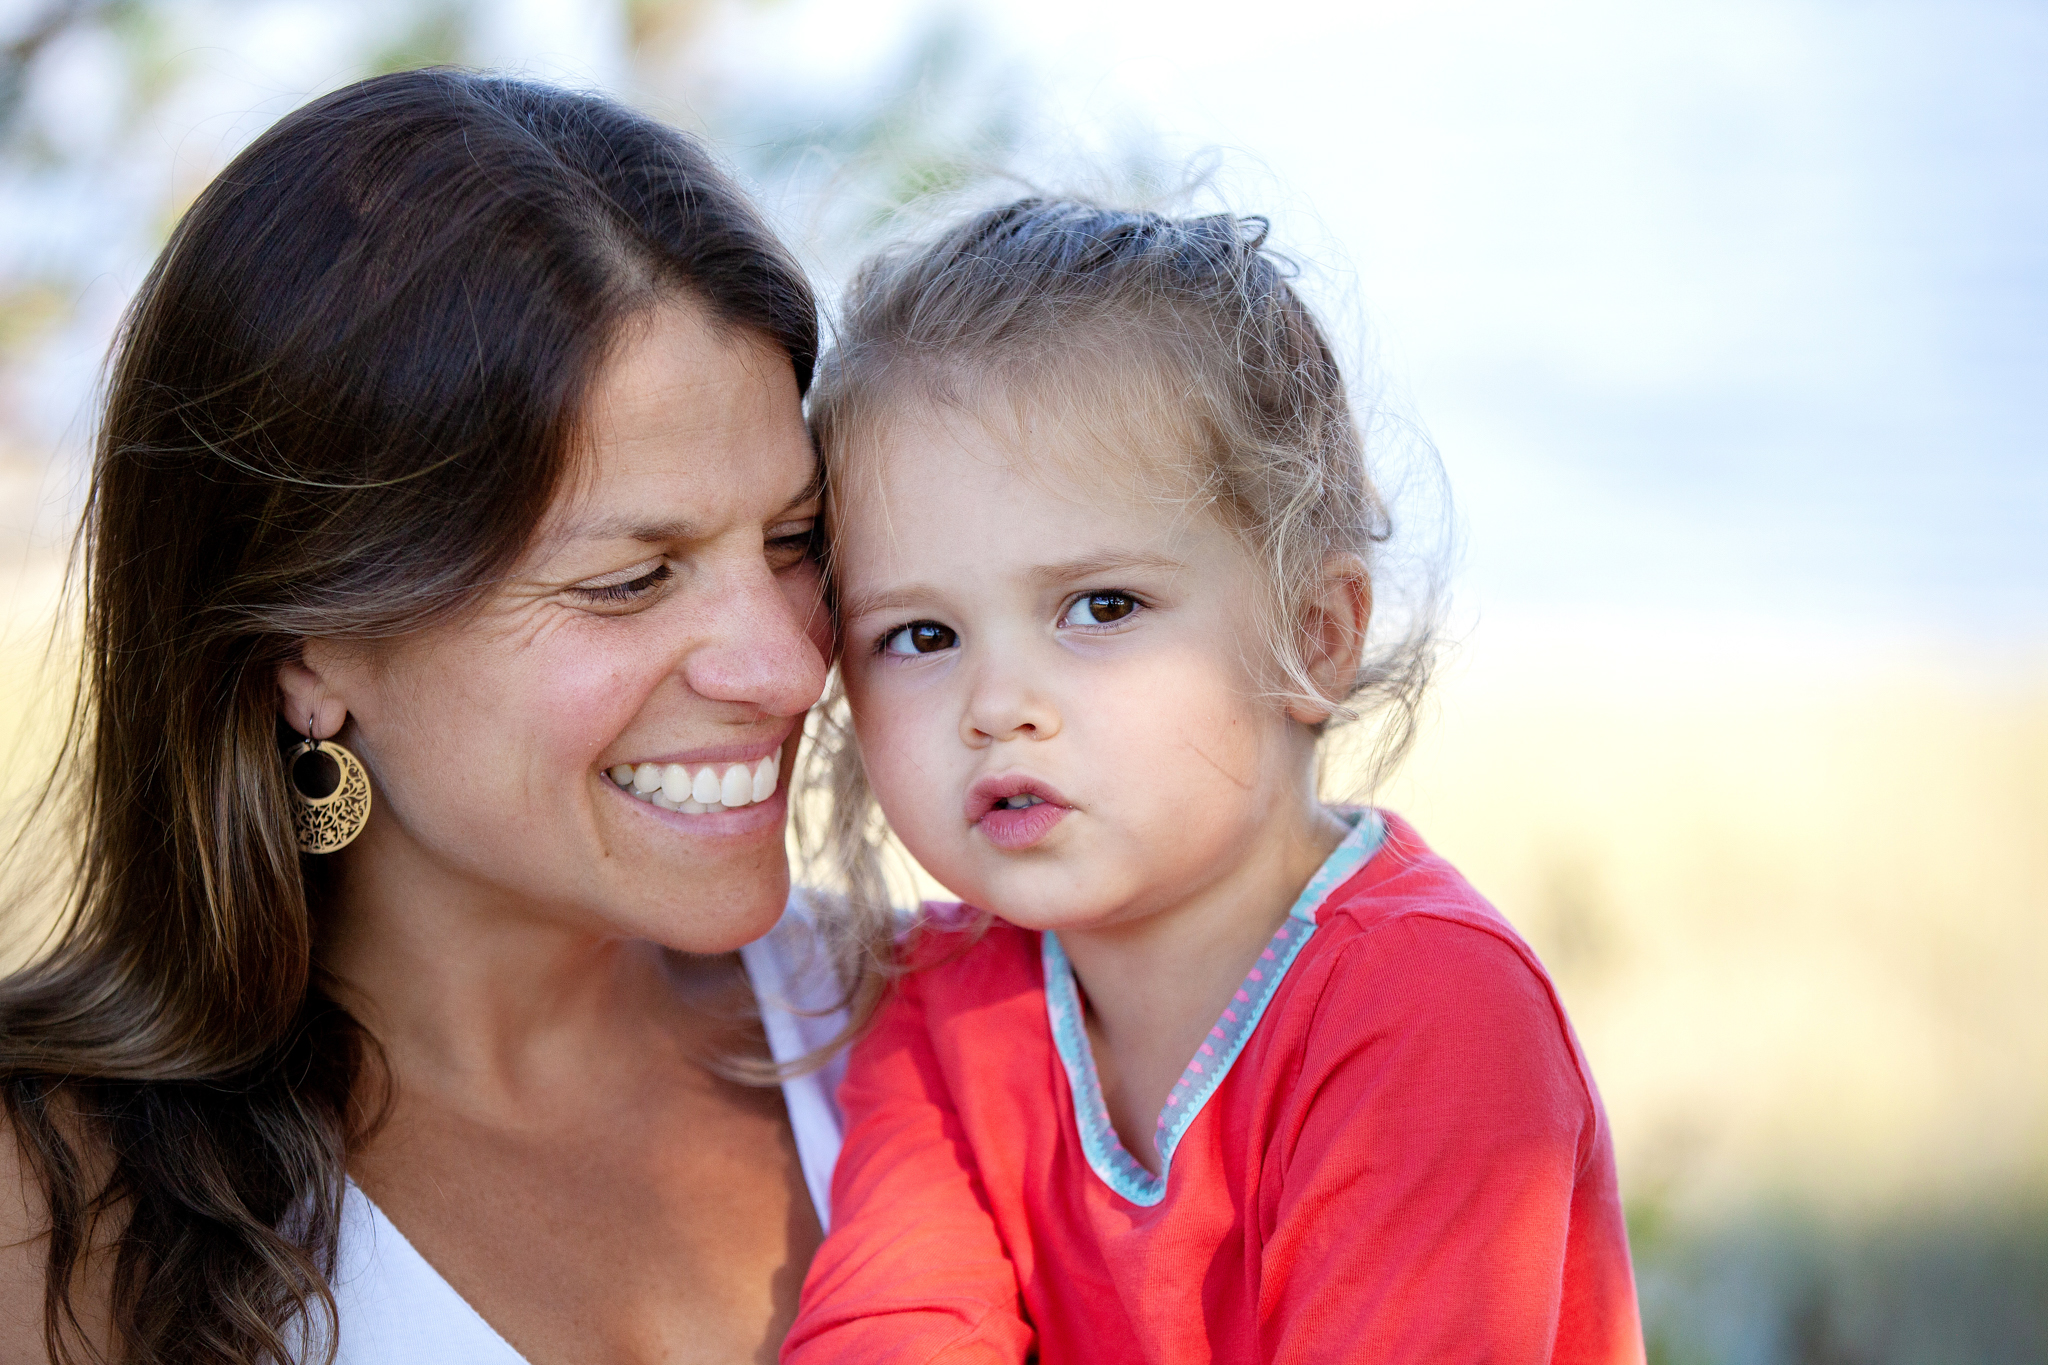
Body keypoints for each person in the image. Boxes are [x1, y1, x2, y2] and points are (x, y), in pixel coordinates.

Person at [0, 70, 864, 1364]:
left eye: (796, 539)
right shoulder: (49, 1205)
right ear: (308, 647)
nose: (790, 667)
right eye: (631, 580)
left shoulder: (943, 1024)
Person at [782, 200, 1646, 1362]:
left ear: (1313, 635)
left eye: (1100, 607)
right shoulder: (943, 1006)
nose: (997, 704)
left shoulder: (1424, 1008)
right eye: (921, 636)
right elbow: (889, 1333)